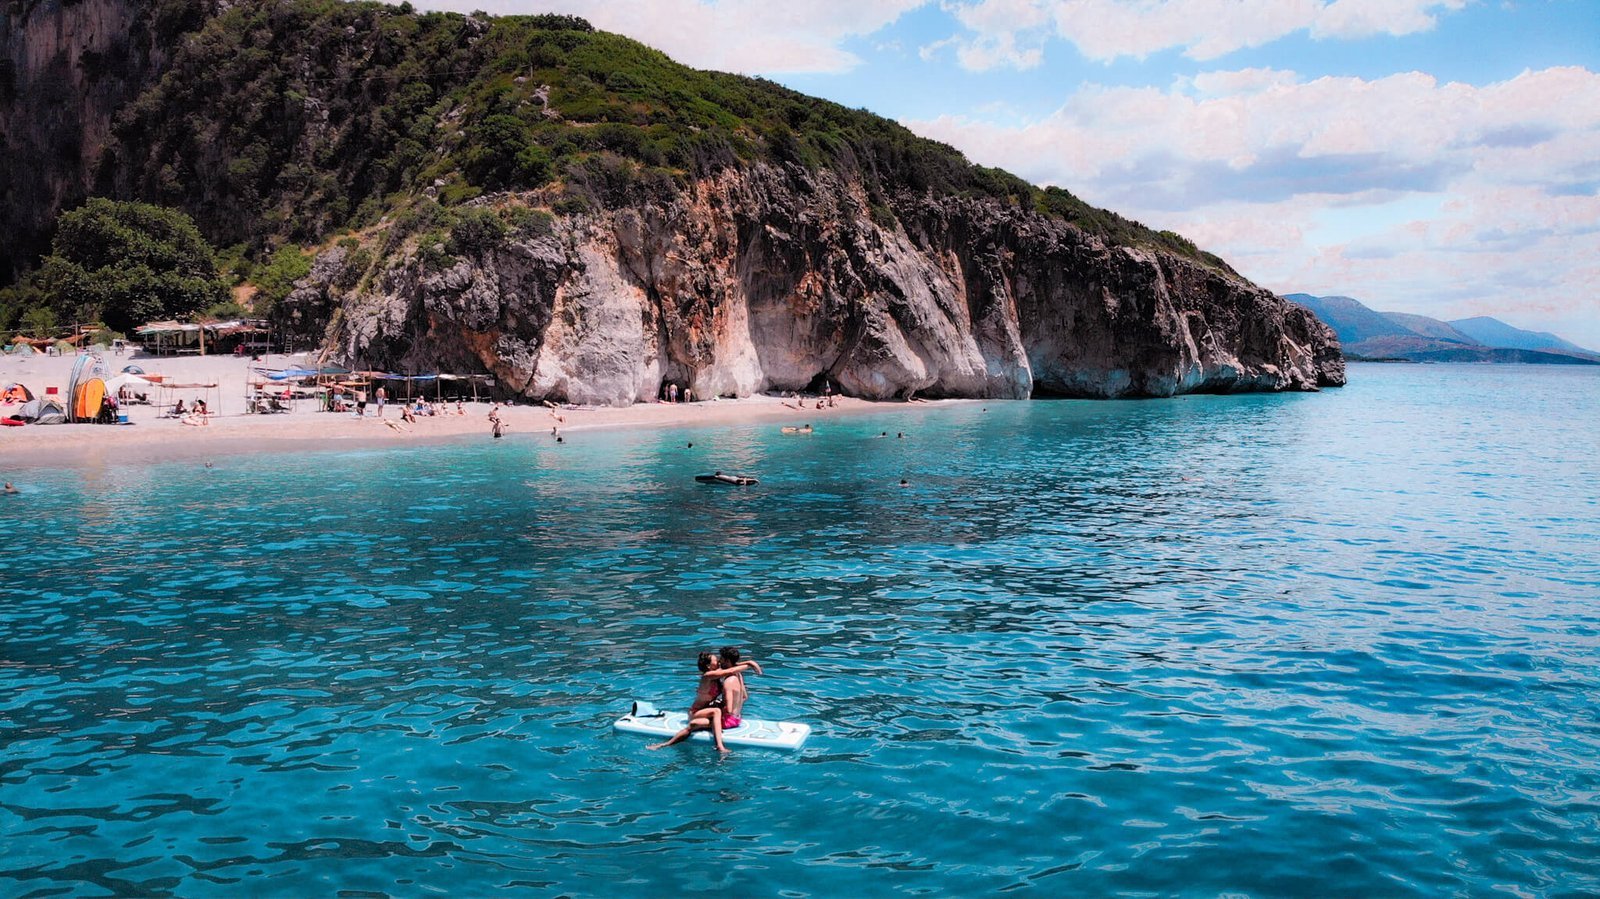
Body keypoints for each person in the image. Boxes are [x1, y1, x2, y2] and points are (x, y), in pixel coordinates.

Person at [648, 651, 762, 752]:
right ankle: (720, 746)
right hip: (696, 712)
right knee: (716, 711)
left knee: (695, 724)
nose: (718, 662)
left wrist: (748, 662)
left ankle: (666, 743)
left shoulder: (716, 674)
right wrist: (750, 664)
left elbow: (731, 666)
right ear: (708, 666)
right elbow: (732, 669)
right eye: (715, 661)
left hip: (706, 711)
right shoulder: (708, 675)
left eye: (719, 660)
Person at [717, 646, 762, 729]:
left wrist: (717, 706)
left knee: (695, 718)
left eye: (721, 658)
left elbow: (728, 710)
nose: (719, 661)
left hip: (726, 721)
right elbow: (744, 697)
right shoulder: (739, 675)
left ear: (727, 661)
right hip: (736, 719)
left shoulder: (729, 681)